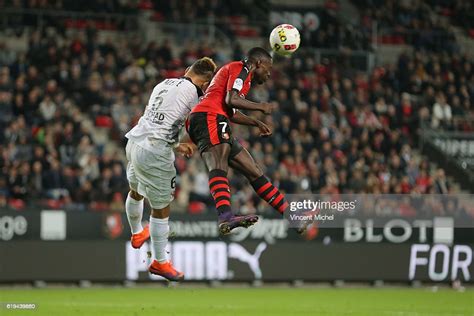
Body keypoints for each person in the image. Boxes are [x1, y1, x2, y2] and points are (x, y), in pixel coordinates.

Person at [187, 47, 305, 235]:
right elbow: (231, 99)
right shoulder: (241, 68)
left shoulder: (242, 78)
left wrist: (255, 123)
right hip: (208, 116)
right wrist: (261, 107)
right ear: (258, 63)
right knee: (219, 163)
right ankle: (225, 216)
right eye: (268, 69)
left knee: (253, 170)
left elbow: (231, 110)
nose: (268, 74)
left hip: (211, 117)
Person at [124, 57, 217, 281]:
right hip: (155, 152)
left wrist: (176, 145)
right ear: (205, 84)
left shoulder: (163, 83)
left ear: (187, 70)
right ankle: (160, 262)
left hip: (135, 141)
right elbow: (198, 124)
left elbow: (158, 122)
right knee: (161, 209)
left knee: (135, 191)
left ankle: (137, 233)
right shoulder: (196, 94)